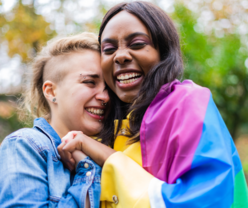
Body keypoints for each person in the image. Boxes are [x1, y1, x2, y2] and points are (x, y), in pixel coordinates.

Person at [59, 1, 248, 208]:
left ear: (164, 52)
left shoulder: (188, 102)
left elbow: (207, 198)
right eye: (109, 49)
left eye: (137, 44)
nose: (120, 56)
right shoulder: (103, 123)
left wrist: (106, 158)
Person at [0, 32, 109, 208]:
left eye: (109, 87)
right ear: (51, 91)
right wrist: (87, 170)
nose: (105, 96)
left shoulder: (107, 151)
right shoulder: (24, 146)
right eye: (89, 82)